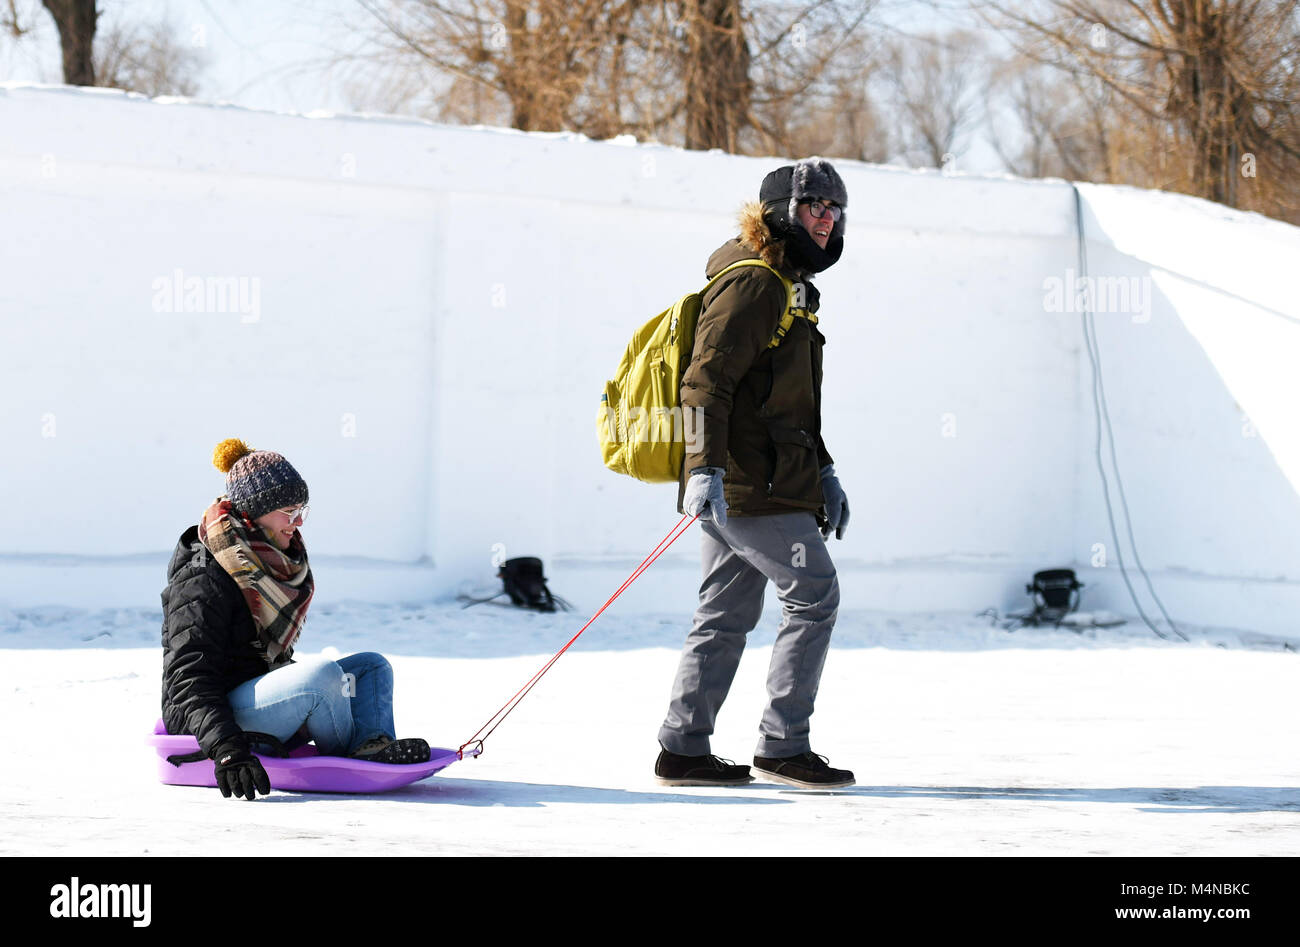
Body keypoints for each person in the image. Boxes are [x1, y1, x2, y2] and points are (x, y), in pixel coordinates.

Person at [655, 158, 854, 790]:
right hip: (750, 483)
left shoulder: (791, 285)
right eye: (812, 206)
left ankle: (684, 749)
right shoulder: (756, 284)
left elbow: (790, 400)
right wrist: (701, 468)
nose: (825, 218)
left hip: (762, 477)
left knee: (723, 615)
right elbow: (703, 383)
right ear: (777, 214)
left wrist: (824, 472)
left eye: (834, 208)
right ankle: (783, 744)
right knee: (815, 597)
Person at [161, 438, 431, 801]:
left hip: (257, 691)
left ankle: (372, 744)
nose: (299, 521)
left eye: (302, 508)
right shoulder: (204, 575)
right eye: (288, 511)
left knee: (370, 667)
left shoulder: (270, 560)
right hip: (210, 716)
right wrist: (226, 747)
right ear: (255, 511)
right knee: (321, 677)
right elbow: (187, 677)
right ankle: (353, 758)